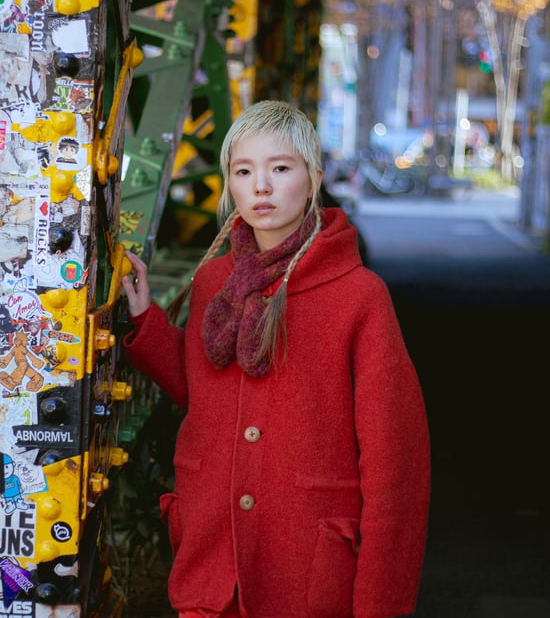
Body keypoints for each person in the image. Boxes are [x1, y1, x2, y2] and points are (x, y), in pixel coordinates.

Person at [120, 100, 430, 618]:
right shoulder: (214, 281)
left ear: (314, 179)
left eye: (280, 168)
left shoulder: (358, 296)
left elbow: (394, 463)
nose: (260, 186)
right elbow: (203, 389)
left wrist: (380, 604)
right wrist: (146, 322)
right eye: (243, 171)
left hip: (306, 572)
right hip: (212, 566)